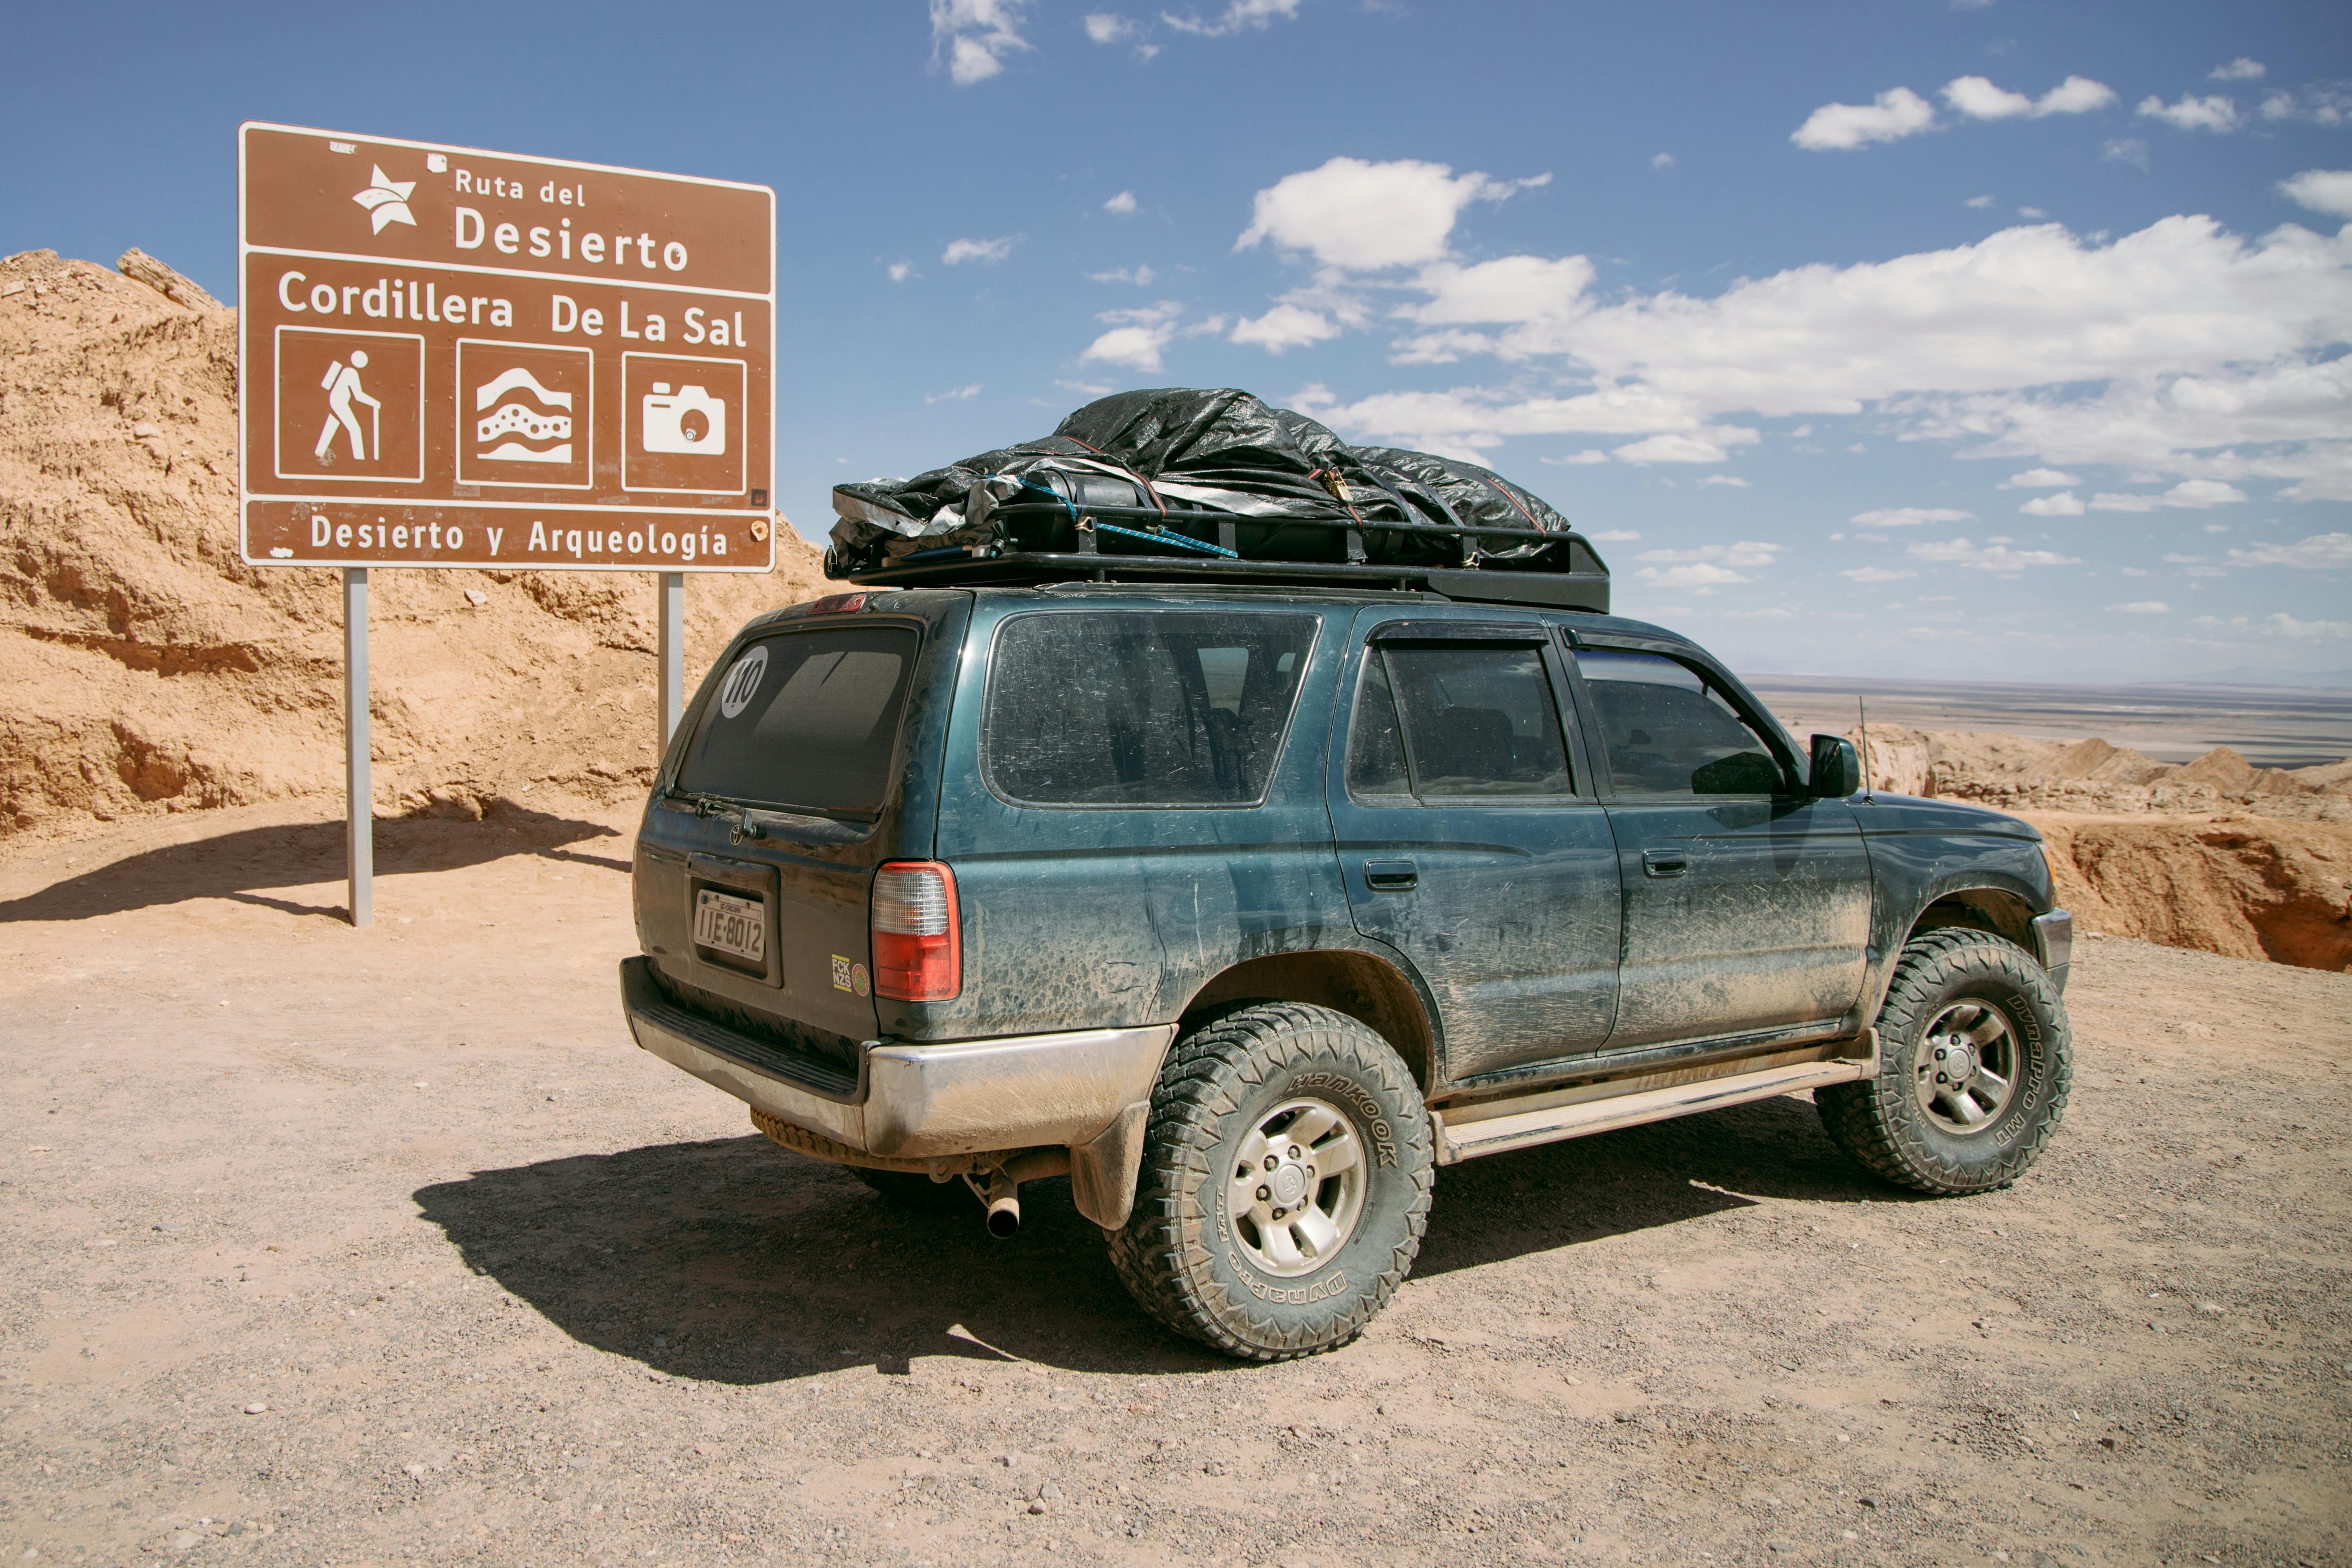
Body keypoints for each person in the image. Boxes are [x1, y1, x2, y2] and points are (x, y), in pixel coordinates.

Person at [315, 350, 381, 463]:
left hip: (336, 401)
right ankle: (360, 460)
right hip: (339, 403)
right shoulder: (351, 373)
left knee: (331, 426)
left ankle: (319, 452)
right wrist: (374, 402)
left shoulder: (346, 371)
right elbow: (358, 395)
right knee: (355, 429)